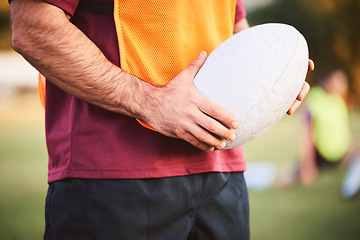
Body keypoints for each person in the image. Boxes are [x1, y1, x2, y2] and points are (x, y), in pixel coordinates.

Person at [9, 0, 312, 239]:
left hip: (222, 172)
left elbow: (234, 27)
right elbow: (34, 27)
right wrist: (148, 101)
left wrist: (275, 76)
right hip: (113, 174)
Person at [298, 65, 350, 186]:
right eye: (339, 80)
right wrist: (307, 164)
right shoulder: (315, 98)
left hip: (340, 154)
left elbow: (344, 130)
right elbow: (306, 133)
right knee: (291, 177)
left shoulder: (339, 100)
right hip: (320, 156)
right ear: (328, 80)